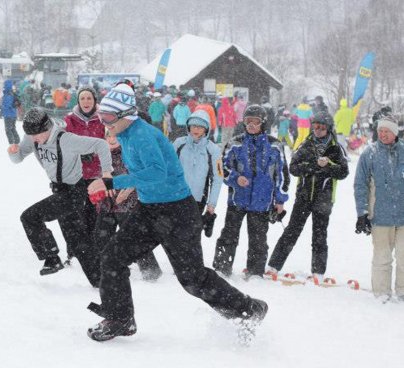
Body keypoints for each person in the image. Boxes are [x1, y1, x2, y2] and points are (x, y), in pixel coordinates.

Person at [84, 83, 267, 342]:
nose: (104, 122)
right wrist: (118, 182)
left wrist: (114, 182)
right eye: (102, 116)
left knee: (192, 279)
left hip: (177, 212)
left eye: (109, 117)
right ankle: (120, 318)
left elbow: (157, 173)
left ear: (126, 115)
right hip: (149, 209)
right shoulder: (124, 135)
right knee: (113, 257)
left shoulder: (142, 135)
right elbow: (145, 174)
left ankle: (249, 309)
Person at [7, 108, 112, 287]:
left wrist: (107, 174)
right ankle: (100, 281)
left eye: (37, 135)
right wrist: (14, 152)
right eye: (30, 135)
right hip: (59, 191)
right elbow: (18, 158)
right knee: (77, 240)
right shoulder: (32, 136)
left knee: (30, 217)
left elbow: (101, 145)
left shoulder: (67, 140)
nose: (34, 139)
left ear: (47, 127)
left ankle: (51, 257)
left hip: (74, 192)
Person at [267, 112, 348, 281]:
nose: (318, 130)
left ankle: (318, 271)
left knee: (319, 235)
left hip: (324, 199)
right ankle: (274, 265)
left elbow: (343, 172)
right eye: (315, 127)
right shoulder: (306, 144)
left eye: (322, 128)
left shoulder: (335, 148)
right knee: (292, 231)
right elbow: (294, 167)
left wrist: (328, 166)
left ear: (329, 129)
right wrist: (313, 166)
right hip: (303, 197)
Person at [212, 105, 289, 278]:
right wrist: (235, 178)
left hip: (262, 202)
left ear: (263, 123)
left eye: (256, 122)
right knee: (229, 235)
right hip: (237, 199)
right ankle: (222, 268)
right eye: (248, 121)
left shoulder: (275, 145)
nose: (251, 125)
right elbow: (221, 168)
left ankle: (255, 272)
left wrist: (280, 200)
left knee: (258, 240)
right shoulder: (234, 143)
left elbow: (281, 174)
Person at [93, 131, 162, 281]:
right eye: (108, 136)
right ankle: (105, 268)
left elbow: (140, 175)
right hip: (107, 202)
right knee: (101, 235)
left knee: (134, 237)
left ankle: (151, 270)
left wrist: (127, 191)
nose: (111, 140)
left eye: (114, 136)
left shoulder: (129, 153)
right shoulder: (102, 154)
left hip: (127, 202)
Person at [354, 115, 404, 302]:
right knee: (382, 257)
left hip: (403, 214)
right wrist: (362, 213)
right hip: (380, 215)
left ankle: (403, 290)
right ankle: (382, 292)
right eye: (380, 131)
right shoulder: (370, 153)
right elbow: (360, 185)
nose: (382, 134)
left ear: (395, 133)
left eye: (387, 131)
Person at [63, 86, 105, 263]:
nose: (86, 102)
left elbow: (108, 141)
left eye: (89, 98)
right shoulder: (70, 120)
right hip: (75, 174)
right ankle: (73, 252)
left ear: (94, 101)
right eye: (83, 99)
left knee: (95, 213)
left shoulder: (103, 119)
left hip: (97, 173)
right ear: (78, 102)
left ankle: (95, 250)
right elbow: (63, 142)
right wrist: (79, 152)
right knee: (76, 213)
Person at [172, 110, 224, 238]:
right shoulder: (179, 144)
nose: (196, 129)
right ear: (188, 127)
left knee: (192, 236)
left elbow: (217, 178)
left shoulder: (213, 150)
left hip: (198, 199)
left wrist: (211, 205)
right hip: (177, 197)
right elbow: (169, 170)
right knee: (175, 236)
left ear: (206, 129)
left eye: (200, 126)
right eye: (193, 125)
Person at [1, 80, 20, 147]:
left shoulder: (8, 94)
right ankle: (17, 141)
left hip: (8, 114)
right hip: (13, 114)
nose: (3, 86)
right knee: (12, 128)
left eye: (4, 85)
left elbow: (7, 105)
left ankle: (11, 143)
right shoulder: (12, 93)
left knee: (8, 129)